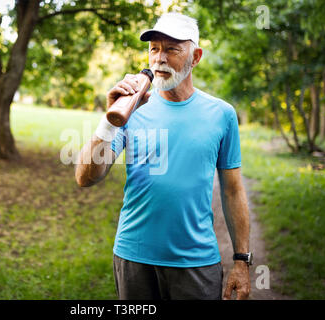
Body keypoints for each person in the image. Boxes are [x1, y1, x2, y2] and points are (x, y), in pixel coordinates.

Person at [75, 12, 252, 300]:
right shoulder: (131, 107)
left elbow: (233, 191)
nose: (160, 58)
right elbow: (85, 177)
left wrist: (242, 261)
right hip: (133, 258)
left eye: (171, 49)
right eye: (154, 49)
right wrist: (108, 121)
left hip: (196, 262)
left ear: (195, 57)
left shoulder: (222, 114)